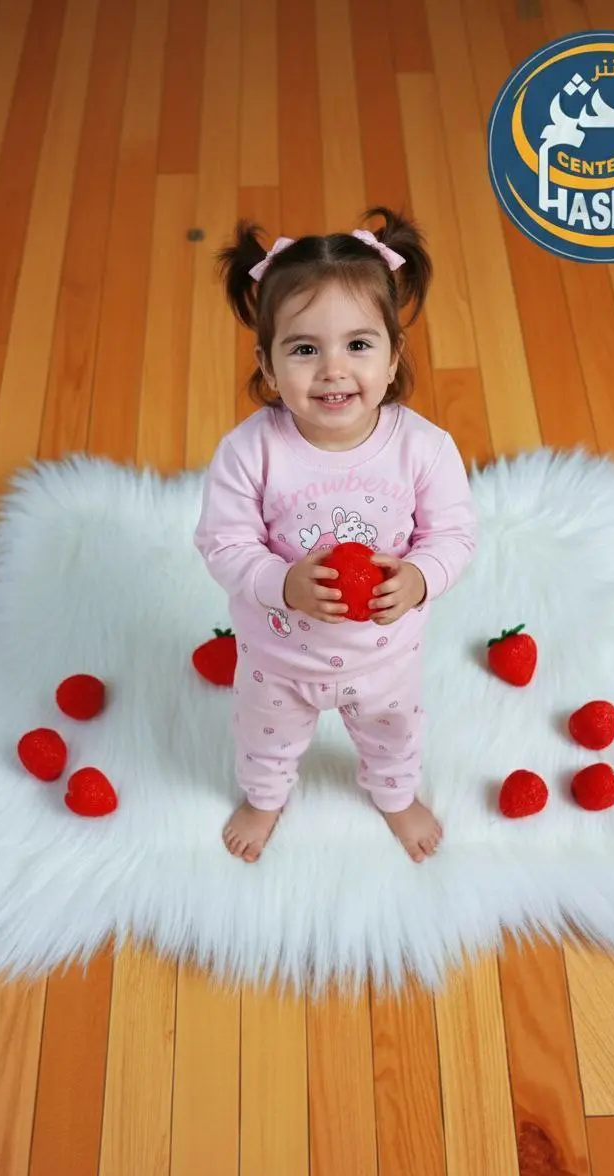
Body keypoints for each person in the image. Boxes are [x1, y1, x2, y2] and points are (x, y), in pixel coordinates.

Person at [194, 207, 477, 864]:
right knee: (262, 739)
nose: (332, 369)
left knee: (395, 735)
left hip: (385, 657)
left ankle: (395, 796)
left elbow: (454, 534)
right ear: (268, 366)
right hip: (278, 656)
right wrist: (282, 583)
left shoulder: (425, 449)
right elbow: (224, 543)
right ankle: (265, 798)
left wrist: (419, 578)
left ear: (393, 355)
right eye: (303, 349)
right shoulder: (249, 452)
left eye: (358, 345)